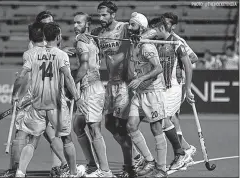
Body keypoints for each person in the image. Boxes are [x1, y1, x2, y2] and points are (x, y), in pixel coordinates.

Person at [76, 1, 144, 177]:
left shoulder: (123, 28)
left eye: (105, 14)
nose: (101, 18)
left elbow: (144, 29)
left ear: (113, 14)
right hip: (111, 85)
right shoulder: (98, 33)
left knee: (122, 128)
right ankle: (135, 158)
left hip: (125, 84)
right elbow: (87, 40)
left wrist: (138, 34)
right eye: (99, 15)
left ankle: (130, 168)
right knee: (109, 125)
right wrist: (79, 37)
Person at [12, 22, 88, 177]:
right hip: (56, 104)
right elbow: (68, 78)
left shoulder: (33, 54)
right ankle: (73, 172)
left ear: (45, 36)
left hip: (37, 103)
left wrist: (15, 94)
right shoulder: (61, 55)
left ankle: (21, 171)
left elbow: (21, 77)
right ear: (58, 36)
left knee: (33, 139)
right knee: (66, 139)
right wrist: (77, 97)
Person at [126, 12, 168, 178]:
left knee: (156, 128)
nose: (129, 28)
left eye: (133, 25)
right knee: (131, 126)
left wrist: (141, 78)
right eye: (129, 24)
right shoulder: (135, 42)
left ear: (141, 28)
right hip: (140, 92)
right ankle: (150, 161)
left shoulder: (146, 45)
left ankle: (162, 169)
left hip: (153, 92)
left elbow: (158, 68)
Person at [72, 12, 114, 177]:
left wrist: (72, 83)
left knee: (94, 129)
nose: (75, 26)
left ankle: (105, 170)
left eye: (79, 23)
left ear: (87, 24)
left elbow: (83, 66)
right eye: (74, 23)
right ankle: (91, 164)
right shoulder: (91, 38)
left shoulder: (82, 41)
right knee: (78, 126)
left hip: (91, 87)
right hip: (88, 87)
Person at [151, 16, 195, 170]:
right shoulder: (155, 42)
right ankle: (185, 150)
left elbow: (190, 63)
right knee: (166, 121)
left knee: (163, 121)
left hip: (174, 87)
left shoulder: (177, 42)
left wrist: (187, 87)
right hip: (159, 88)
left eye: (154, 29)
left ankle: (181, 154)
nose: (152, 32)